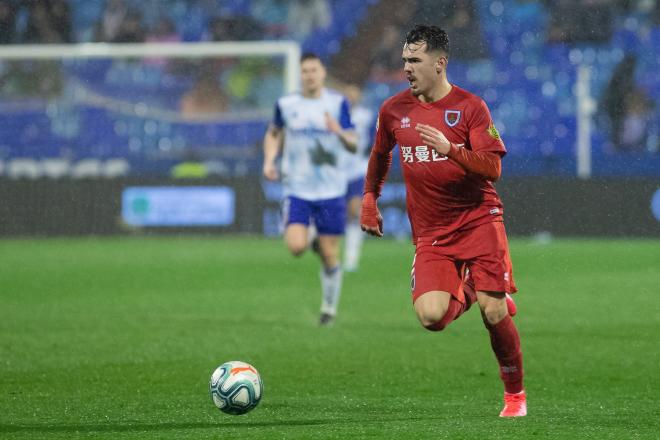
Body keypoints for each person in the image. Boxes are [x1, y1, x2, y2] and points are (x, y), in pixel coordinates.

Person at [360, 25, 526, 417]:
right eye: (404, 60)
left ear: (440, 63)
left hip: (478, 220)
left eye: (415, 60)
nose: (407, 68)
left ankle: (514, 396)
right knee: (431, 318)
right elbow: (380, 155)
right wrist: (370, 198)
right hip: (432, 233)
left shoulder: (471, 107)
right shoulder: (393, 110)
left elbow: (493, 168)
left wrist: (451, 149)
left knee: (494, 312)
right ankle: (471, 287)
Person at [262, 53, 357, 326]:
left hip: (331, 189)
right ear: (300, 74)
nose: (309, 75)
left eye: (313, 70)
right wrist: (270, 160)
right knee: (295, 247)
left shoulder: (337, 103)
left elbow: (352, 142)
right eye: (305, 71)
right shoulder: (287, 104)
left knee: (329, 254)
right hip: (297, 188)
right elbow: (274, 132)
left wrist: (337, 130)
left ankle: (329, 308)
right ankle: (311, 238)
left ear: (323, 73)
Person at [341, 83, 375, 272]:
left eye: (354, 92)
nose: (350, 95)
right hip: (336, 170)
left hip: (357, 169)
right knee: (338, 214)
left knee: (355, 211)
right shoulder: (334, 116)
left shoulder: (366, 116)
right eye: (347, 92)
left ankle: (351, 258)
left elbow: (375, 140)